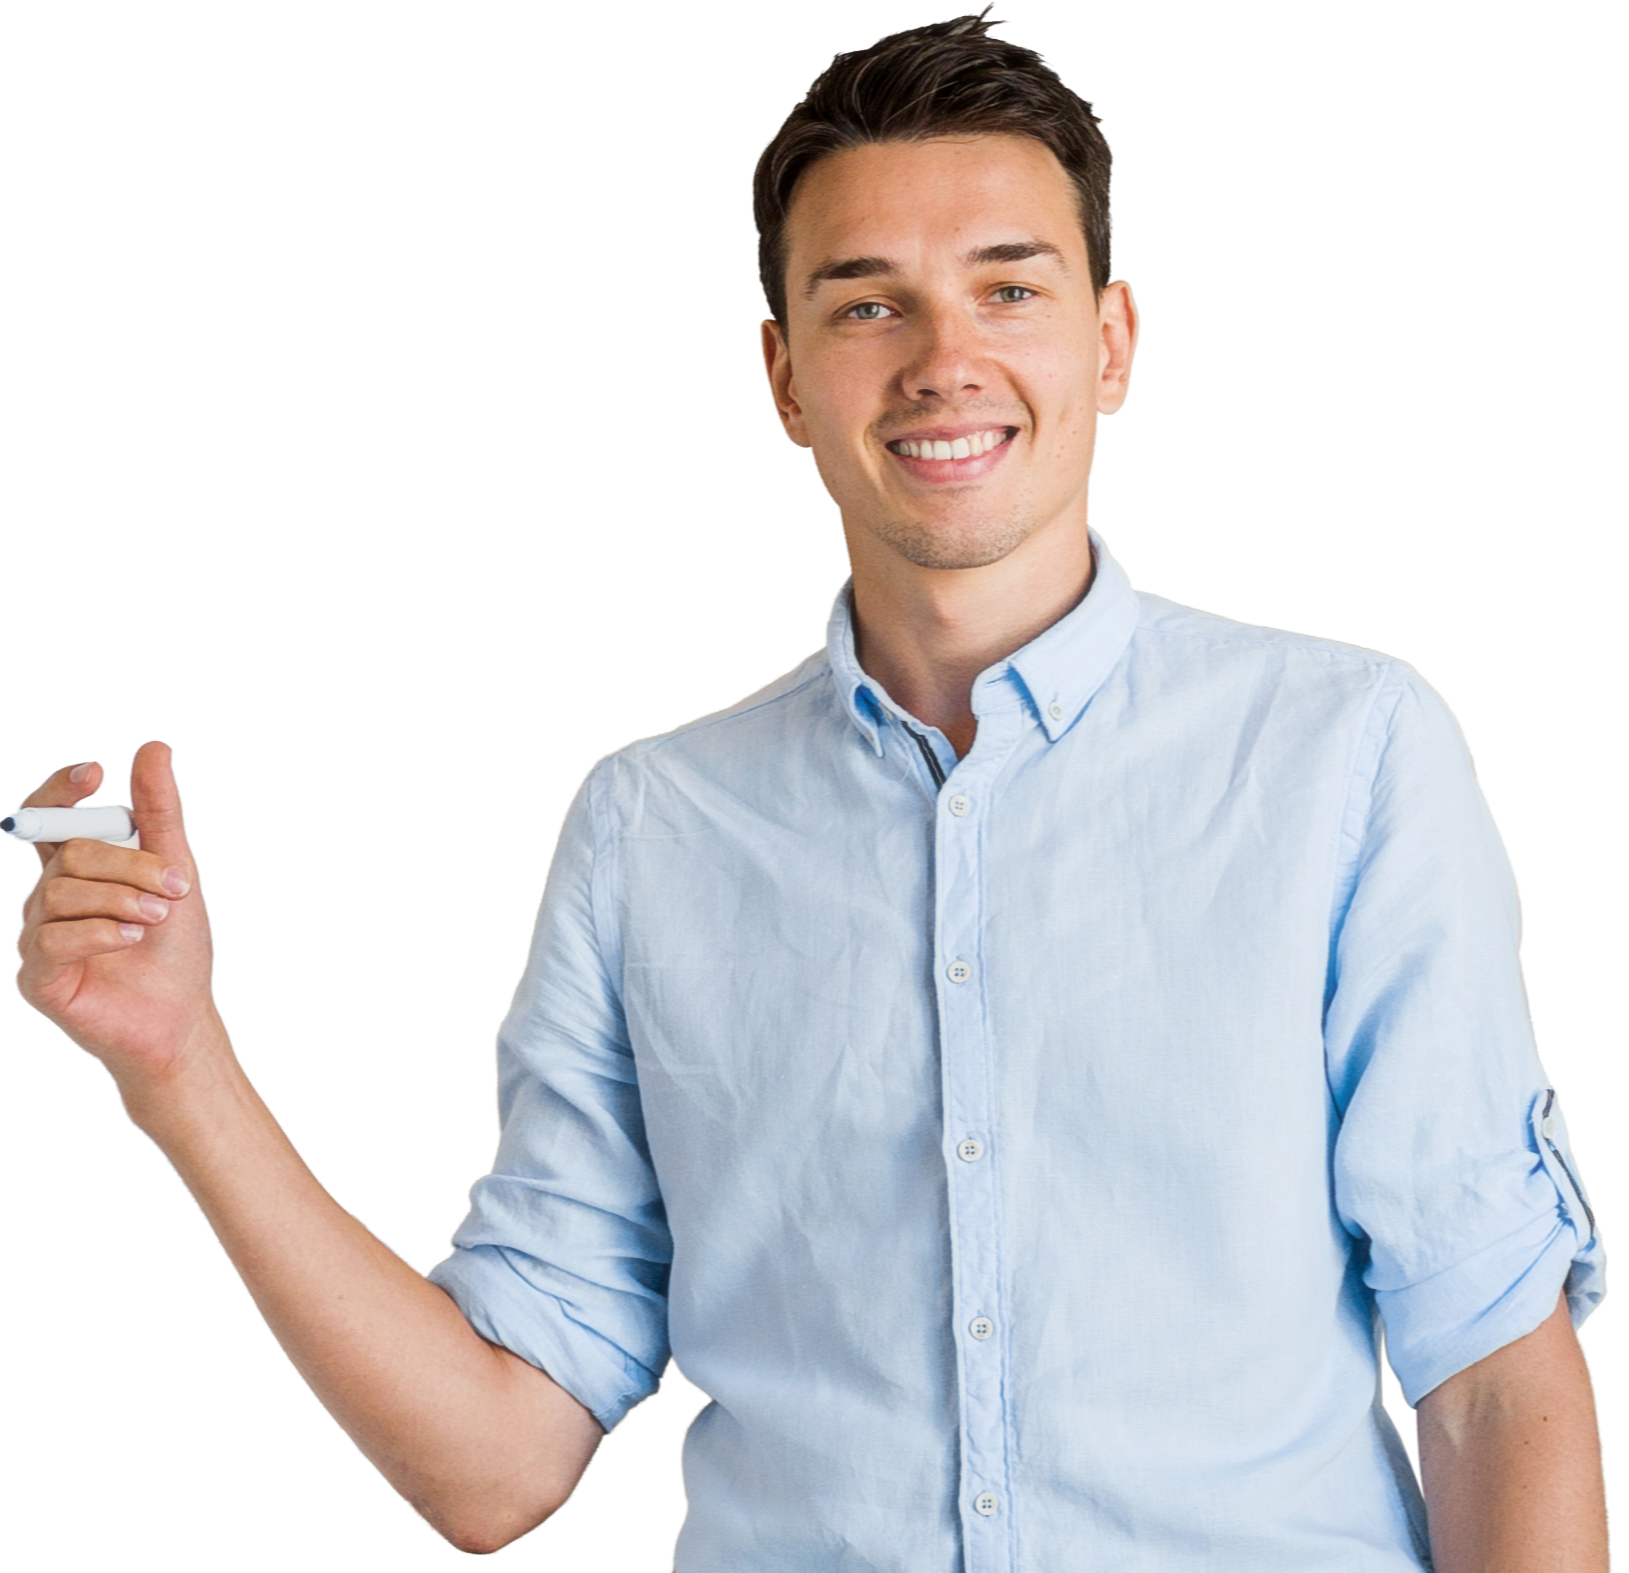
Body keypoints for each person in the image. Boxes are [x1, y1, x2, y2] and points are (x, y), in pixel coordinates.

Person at [12, 10, 1608, 1569]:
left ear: (1112, 344)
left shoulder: (1347, 753)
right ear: (783, 380)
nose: (944, 360)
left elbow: (1488, 1381)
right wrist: (181, 1071)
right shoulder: (651, 830)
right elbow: (493, 1464)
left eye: (1007, 288)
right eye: (868, 307)